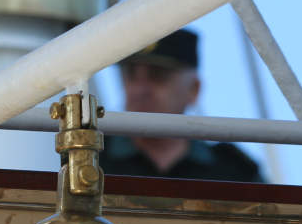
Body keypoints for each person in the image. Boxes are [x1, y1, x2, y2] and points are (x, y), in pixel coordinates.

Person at [101, 29, 265, 182]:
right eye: (131, 75)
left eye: (158, 75)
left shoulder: (236, 172)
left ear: (193, 89)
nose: (140, 89)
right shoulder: (92, 158)